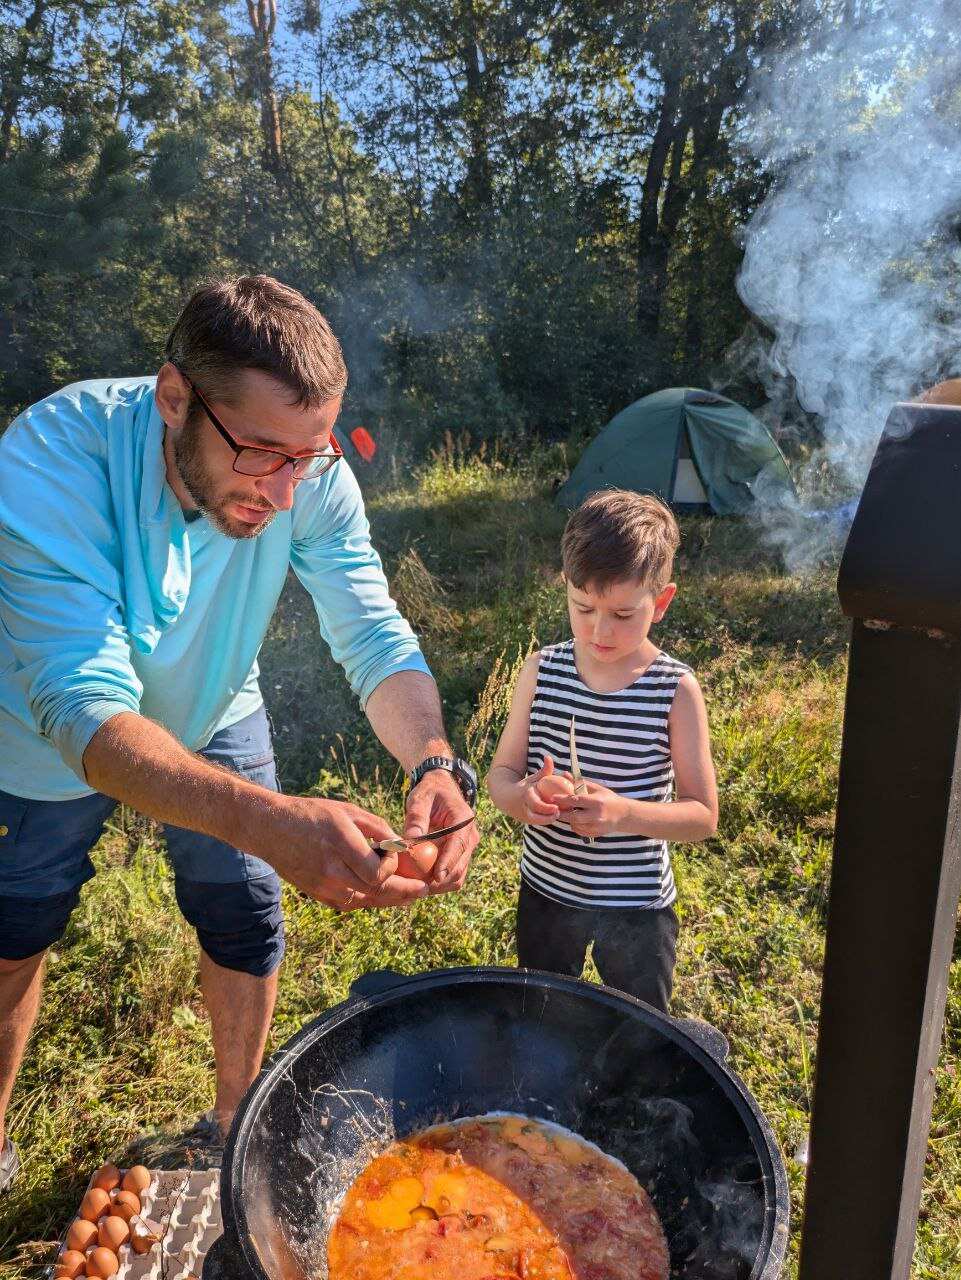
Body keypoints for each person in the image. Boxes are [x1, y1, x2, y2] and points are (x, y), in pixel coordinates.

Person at [0, 275, 479, 1186]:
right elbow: (80, 707)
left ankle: (232, 1131)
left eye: (309, 456)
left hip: (218, 705)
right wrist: (265, 818)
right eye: (262, 453)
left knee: (243, 912)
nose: (286, 490)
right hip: (33, 739)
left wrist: (432, 757)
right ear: (174, 396)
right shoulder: (54, 456)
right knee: (13, 933)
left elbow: (371, 629)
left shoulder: (306, 471)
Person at [487, 490, 717, 1013]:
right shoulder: (542, 671)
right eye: (583, 607)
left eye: (622, 613)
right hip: (546, 892)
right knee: (542, 1020)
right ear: (564, 587)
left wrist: (622, 814)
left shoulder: (675, 690)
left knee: (637, 1038)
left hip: (635, 908)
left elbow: (703, 816)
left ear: (661, 603)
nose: (599, 630)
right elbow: (501, 774)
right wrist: (523, 798)